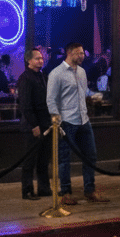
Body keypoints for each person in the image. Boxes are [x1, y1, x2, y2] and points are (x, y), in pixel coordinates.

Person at [46, 42, 109, 205]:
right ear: (69, 53)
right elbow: (51, 100)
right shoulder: (56, 73)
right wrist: (57, 120)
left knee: (91, 155)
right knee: (64, 159)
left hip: (83, 119)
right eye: (78, 53)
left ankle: (90, 190)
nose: (82, 56)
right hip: (67, 121)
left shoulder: (82, 72)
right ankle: (65, 192)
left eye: (82, 53)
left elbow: (84, 91)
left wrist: (95, 95)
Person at [17, 48, 52, 200]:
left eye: (41, 58)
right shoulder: (25, 78)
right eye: (37, 58)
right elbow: (25, 105)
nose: (41, 61)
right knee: (29, 160)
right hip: (32, 126)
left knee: (44, 159)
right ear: (29, 60)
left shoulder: (42, 76)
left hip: (46, 123)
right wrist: (34, 125)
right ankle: (27, 190)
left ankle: (44, 188)